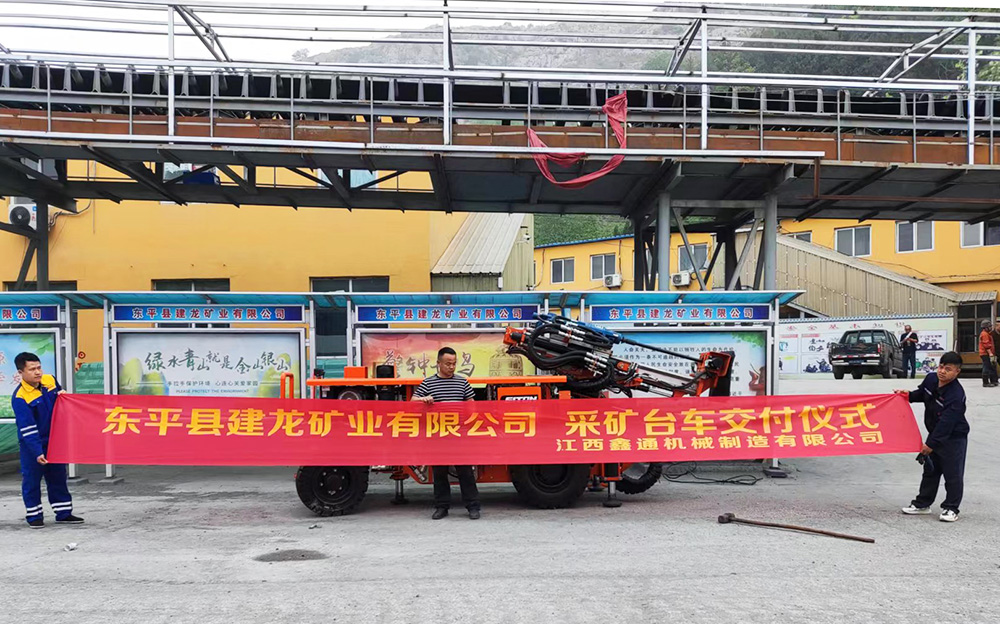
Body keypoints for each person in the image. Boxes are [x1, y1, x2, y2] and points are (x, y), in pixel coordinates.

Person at [11, 352, 84, 529]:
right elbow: (27, 428)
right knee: (32, 480)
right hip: (32, 445)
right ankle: (34, 516)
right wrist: (37, 452)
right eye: (32, 369)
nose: (37, 372)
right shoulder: (20, 397)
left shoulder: (50, 380)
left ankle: (63, 513)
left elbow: (60, 400)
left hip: (55, 441)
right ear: (21, 372)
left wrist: (63, 396)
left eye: (39, 367)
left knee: (58, 476)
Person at [896, 351, 969, 523]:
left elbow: (946, 424)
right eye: (941, 367)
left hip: (953, 437)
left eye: (948, 369)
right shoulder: (931, 379)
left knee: (952, 474)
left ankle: (951, 508)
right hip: (935, 432)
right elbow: (922, 394)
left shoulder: (956, 395)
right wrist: (908, 395)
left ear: (957, 372)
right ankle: (922, 504)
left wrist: (930, 444)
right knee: (930, 471)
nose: (942, 371)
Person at [413, 347, 480, 520]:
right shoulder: (428, 383)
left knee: (465, 472)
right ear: (438, 363)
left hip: (458, 434)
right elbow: (412, 402)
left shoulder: (462, 382)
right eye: (448, 364)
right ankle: (441, 507)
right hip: (438, 435)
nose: (451, 367)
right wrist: (423, 399)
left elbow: (471, 404)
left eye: (454, 364)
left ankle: (473, 506)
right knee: (439, 473)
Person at [978, 320, 997, 387]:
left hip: (987, 353)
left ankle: (993, 381)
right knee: (986, 367)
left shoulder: (988, 334)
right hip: (985, 354)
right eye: (989, 326)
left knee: (991, 367)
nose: (991, 327)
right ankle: (985, 382)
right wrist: (990, 353)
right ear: (985, 327)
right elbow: (986, 345)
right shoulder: (984, 334)